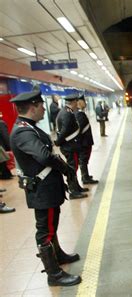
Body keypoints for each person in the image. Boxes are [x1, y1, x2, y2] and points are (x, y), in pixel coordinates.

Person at [9, 89, 81, 286]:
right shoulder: (23, 131)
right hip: (42, 191)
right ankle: (54, 275)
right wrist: (65, 167)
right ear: (32, 107)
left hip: (46, 189)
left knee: (51, 225)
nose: (44, 109)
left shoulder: (29, 127)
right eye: (41, 106)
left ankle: (58, 255)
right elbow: (43, 155)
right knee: (45, 230)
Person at [55, 94, 87, 198]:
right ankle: (73, 191)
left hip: (70, 145)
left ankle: (77, 187)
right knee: (72, 168)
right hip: (70, 146)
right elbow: (64, 130)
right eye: (76, 102)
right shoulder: (67, 113)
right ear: (73, 102)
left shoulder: (66, 111)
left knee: (74, 167)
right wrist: (58, 142)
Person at [75, 95, 98, 184]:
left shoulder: (79, 113)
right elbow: (80, 129)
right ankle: (85, 177)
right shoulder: (79, 114)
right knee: (83, 159)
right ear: (80, 103)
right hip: (84, 142)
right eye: (84, 102)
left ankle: (86, 175)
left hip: (85, 141)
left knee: (84, 159)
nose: (86, 103)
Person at [0, 112, 13, 179]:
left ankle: (6, 174)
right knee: (3, 161)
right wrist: (10, 146)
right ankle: (5, 175)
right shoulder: (1, 123)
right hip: (2, 146)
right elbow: (5, 136)